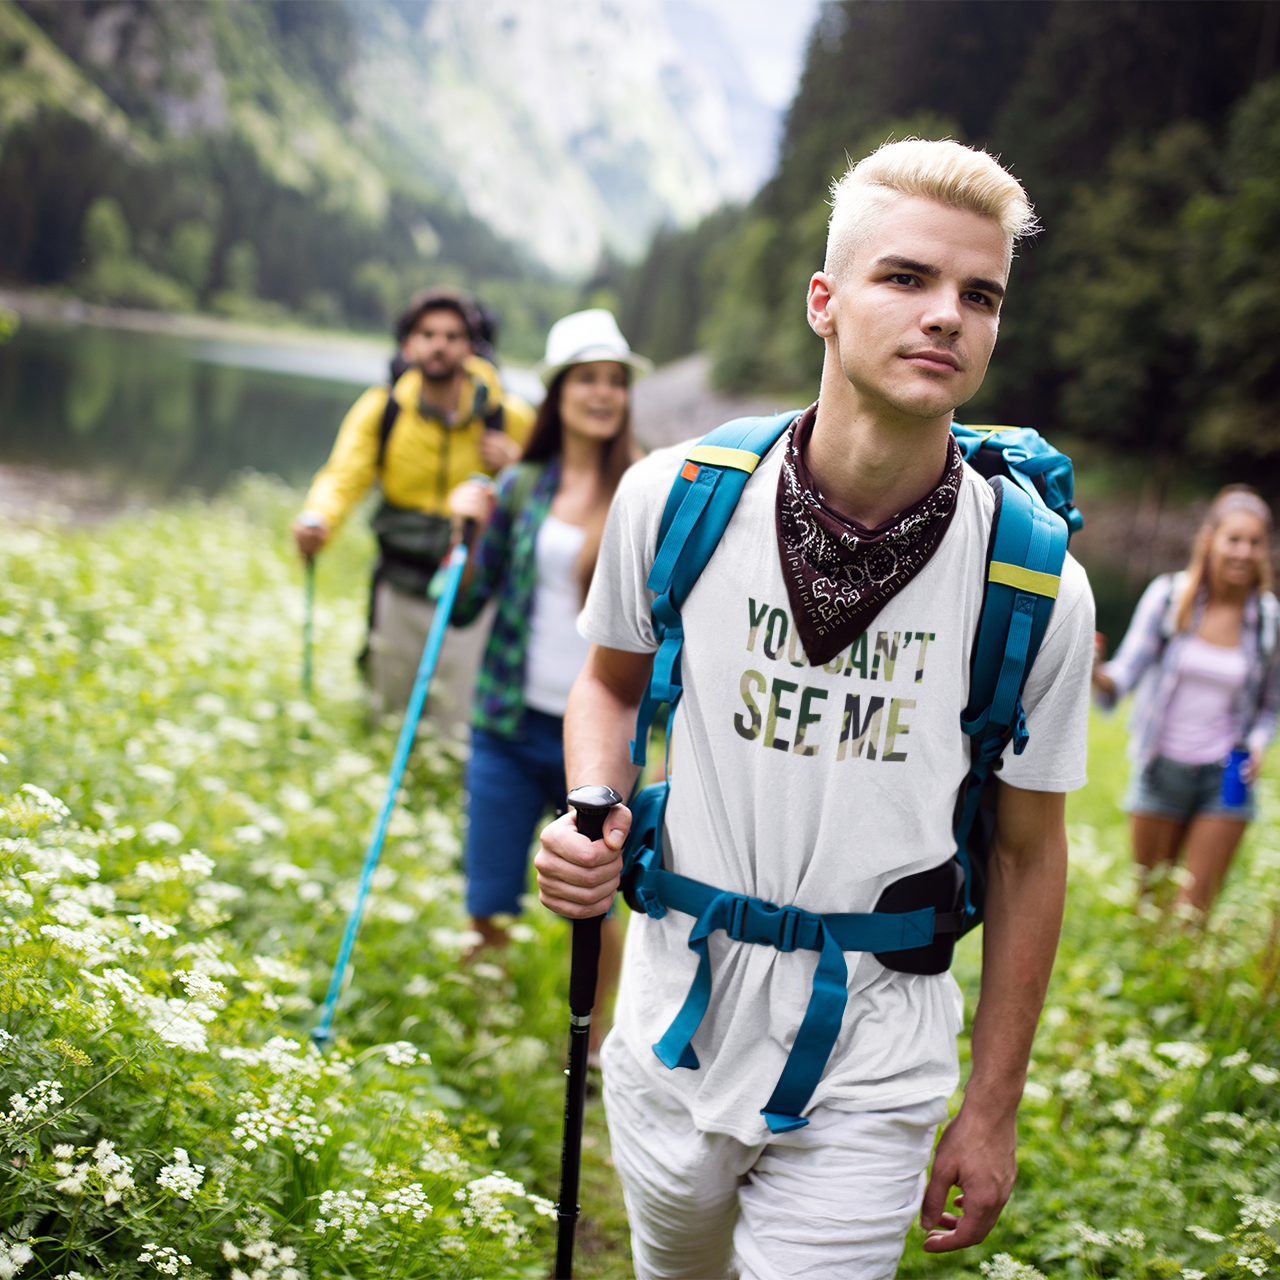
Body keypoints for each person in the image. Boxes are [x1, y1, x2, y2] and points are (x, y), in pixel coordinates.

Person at [535, 140, 1095, 1279]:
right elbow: (606, 681)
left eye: (977, 295)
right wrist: (592, 805)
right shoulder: (678, 499)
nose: (945, 315)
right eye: (906, 278)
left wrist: (990, 1107)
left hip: (876, 1042)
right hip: (675, 1008)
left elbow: (1031, 858)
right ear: (823, 303)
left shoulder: (1033, 581)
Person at [448, 309, 650, 1054]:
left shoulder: (651, 486)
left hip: (597, 736)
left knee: (593, 902)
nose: (602, 394)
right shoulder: (521, 484)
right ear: (558, 392)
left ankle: (597, 1051)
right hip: (506, 724)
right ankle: (486, 1037)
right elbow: (468, 602)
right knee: (487, 896)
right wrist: (464, 531)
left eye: (615, 382)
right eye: (587, 380)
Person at [291, 288, 535, 733]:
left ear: (471, 346)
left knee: (457, 722)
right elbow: (343, 475)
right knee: (388, 711)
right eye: (427, 334)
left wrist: (516, 464)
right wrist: (318, 520)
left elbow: (556, 485)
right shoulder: (382, 410)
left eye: (453, 335)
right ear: (408, 345)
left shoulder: (509, 416)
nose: (439, 345)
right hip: (399, 581)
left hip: (471, 592)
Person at [1093, 486, 1280, 913]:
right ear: (1210, 538)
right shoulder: (1168, 597)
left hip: (1226, 781)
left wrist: (1256, 744)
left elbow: (1269, 707)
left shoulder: (1268, 618)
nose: (1244, 552)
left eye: (1255, 542)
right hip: (1160, 770)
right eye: (1234, 539)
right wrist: (1096, 673)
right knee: (1150, 908)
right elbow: (1125, 675)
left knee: (1193, 916)